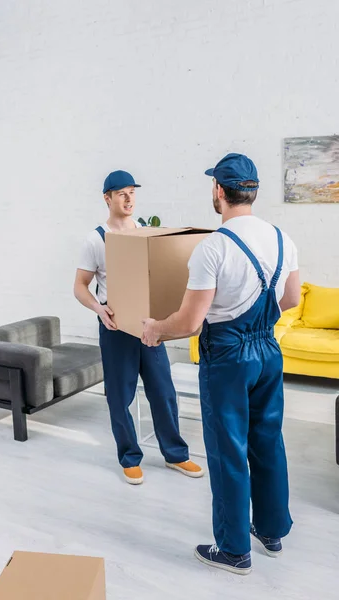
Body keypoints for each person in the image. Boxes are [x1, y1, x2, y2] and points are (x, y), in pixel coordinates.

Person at [142, 153, 300, 574]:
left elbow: (191, 323)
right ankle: (271, 531)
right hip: (268, 352)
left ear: (218, 191)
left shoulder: (213, 247)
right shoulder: (284, 238)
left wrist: (156, 328)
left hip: (228, 358)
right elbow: (291, 299)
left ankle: (233, 550)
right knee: (268, 441)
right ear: (254, 191)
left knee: (228, 450)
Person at [74, 169, 204, 485]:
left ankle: (176, 454)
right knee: (120, 396)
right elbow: (80, 285)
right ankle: (129, 457)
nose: (129, 198)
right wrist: (98, 309)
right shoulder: (96, 238)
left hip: (149, 327)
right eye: (122, 193)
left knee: (163, 391)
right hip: (117, 328)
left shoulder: (146, 231)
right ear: (107, 198)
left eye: (132, 192)